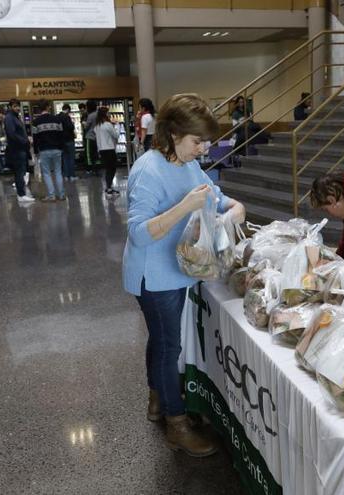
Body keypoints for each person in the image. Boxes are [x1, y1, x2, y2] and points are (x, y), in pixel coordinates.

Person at [123, 93, 245, 457]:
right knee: (167, 345)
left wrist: (233, 207)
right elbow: (139, 232)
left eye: (206, 141)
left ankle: (157, 399)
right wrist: (185, 207)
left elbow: (214, 197)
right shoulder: (147, 169)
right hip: (155, 277)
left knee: (161, 341)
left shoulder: (187, 163)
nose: (203, 148)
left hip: (177, 272)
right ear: (173, 133)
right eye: (197, 141)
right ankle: (175, 422)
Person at [31, 99, 66, 202]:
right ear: (48, 107)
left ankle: (51, 195)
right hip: (57, 149)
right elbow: (61, 135)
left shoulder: (35, 122)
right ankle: (62, 195)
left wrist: (36, 151)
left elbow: (35, 138)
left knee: (46, 173)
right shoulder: (57, 119)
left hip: (44, 150)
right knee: (58, 172)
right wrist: (61, 147)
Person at [5, 99, 35, 204]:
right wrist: (25, 140)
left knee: (21, 172)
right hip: (17, 149)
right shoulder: (9, 118)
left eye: (18, 106)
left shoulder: (14, 117)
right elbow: (11, 134)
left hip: (20, 149)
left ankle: (22, 194)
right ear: (10, 107)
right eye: (14, 106)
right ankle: (21, 195)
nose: (17, 108)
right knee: (19, 172)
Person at [95, 107, 120, 197]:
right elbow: (116, 135)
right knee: (112, 169)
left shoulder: (97, 126)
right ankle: (109, 188)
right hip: (109, 149)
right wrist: (117, 125)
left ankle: (108, 187)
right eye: (108, 113)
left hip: (101, 150)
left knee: (107, 169)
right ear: (105, 114)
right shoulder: (108, 125)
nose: (109, 115)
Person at [59, 103, 77, 182]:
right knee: (71, 158)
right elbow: (71, 127)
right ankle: (72, 175)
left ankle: (65, 175)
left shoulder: (57, 117)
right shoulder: (67, 117)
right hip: (69, 140)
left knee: (64, 159)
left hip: (61, 141)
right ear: (68, 110)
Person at [81, 100, 99, 176]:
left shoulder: (90, 115)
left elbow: (86, 126)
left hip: (90, 137)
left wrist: (83, 123)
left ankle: (89, 170)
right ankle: (97, 169)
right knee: (96, 154)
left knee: (89, 154)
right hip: (98, 137)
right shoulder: (99, 114)